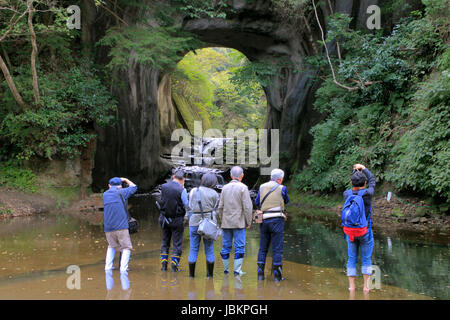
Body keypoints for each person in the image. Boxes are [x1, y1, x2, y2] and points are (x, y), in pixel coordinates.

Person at [343, 163, 376, 293]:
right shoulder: (368, 193)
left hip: (350, 232)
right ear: (365, 183)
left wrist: (354, 172)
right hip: (365, 230)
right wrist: (364, 168)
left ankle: (351, 287)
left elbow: (353, 187)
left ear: (351, 182)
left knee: (352, 258)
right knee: (366, 258)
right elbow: (373, 180)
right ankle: (366, 287)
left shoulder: (346, 194)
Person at [254, 168, 289, 282]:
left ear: (271, 177)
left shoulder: (262, 186)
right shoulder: (282, 188)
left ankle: (260, 275)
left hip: (264, 220)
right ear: (280, 179)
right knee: (277, 249)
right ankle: (277, 277)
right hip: (277, 220)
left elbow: (257, 202)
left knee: (263, 248)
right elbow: (286, 200)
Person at [217, 166, 253, 276]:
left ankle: (226, 269)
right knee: (240, 247)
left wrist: (221, 220)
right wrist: (248, 221)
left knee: (225, 247)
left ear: (231, 175)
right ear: (242, 175)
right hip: (239, 223)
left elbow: (220, 207)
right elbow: (247, 207)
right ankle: (237, 271)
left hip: (226, 222)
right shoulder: (244, 188)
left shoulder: (224, 188)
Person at [186, 173, 220, 278]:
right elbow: (215, 207)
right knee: (209, 249)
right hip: (209, 222)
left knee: (193, 248)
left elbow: (190, 205)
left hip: (194, 222)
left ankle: (191, 276)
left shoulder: (193, 191)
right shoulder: (215, 193)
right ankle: (209, 276)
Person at [103, 177, 138, 274]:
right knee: (126, 247)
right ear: (121, 186)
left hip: (108, 227)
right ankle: (123, 269)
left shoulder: (105, 194)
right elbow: (134, 187)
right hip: (121, 226)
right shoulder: (122, 192)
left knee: (111, 246)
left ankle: (108, 268)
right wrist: (126, 179)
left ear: (109, 186)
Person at [158, 170, 189, 272]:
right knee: (177, 243)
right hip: (177, 220)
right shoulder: (182, 190)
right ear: (183, 180)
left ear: (173, 177)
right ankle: (174, 267)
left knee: (165, 242)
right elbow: (187, 204)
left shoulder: (164, 187)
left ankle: (163, 266)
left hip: (164, 219)